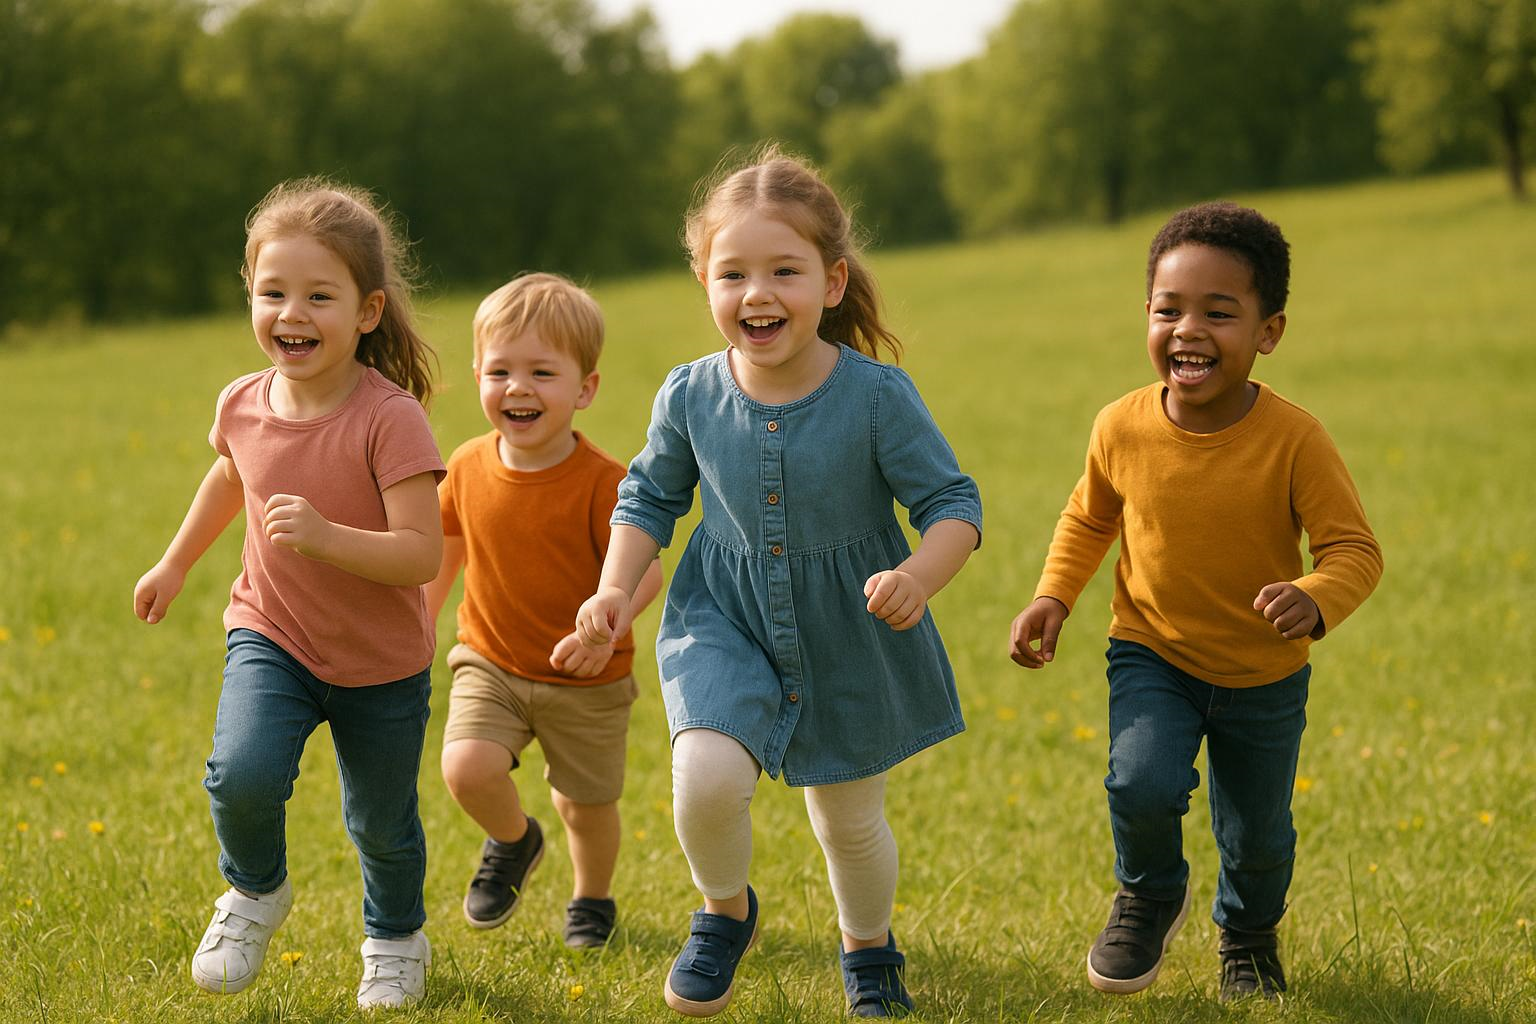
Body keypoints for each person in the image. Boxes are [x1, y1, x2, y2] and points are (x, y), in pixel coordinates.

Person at [574, 147, 982, 1019]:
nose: (757, 293)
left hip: (851, 627)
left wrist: (919, 573)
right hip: (722, 616)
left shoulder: (876, 397)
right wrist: (614, 589)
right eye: (734, 273)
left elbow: (953, 504)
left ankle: (868, 952)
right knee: (707, 778)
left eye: (784, 271)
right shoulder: (688, 395)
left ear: (833, 282)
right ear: (704, 280)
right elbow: (648, 497)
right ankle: (726, 910)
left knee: (847, 821)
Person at [1009, 201, 1383, 1001]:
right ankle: (1148, 893)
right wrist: (1053, 596)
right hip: (1153, 651)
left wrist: (1316, 596)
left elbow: (1354, 549)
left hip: (1263, 673)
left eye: (1220, 313)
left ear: (1268, 331)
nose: (1188, 329)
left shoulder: (1295, 440)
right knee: (1139, 781)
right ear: (1145, 316)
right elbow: (1088, 518)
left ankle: (1247, 941)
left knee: (1258, 837)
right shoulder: (1121, 426)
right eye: (1168, 309)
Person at [133, 179, 445, 1009]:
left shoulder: (390, 419)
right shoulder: (242, 401)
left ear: (368, 310)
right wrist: (174, 564)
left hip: (380, 662)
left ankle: (394, 937)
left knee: (381, 824)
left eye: (319, 295)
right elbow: (228, 479)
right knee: (239, 773)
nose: (291, 312)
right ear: (250, 296)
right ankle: (255, 891)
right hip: (271, 631)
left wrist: (329, 538)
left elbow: (421, 554)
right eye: (273, 292)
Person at [424, 272, 663, 949]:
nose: (517, 387)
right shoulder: (466, 466)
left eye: (541, 372)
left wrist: (607, 624)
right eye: (499, 370)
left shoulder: (605, 483)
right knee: (466, 767)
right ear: (476, 375)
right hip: (490, 660)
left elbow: (647, 569)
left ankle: (592, 898)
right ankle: (514, 839)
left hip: (587, 674)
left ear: (584, 389)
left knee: (585, 807)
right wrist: (419, 622)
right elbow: (445, 551)